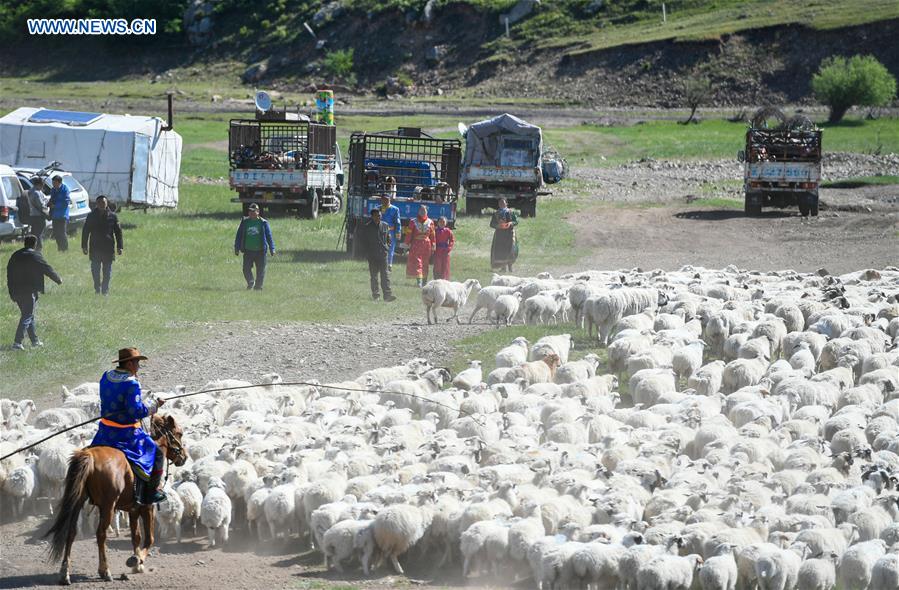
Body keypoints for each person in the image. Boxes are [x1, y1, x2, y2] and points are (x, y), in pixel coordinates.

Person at [89, 348, 167, 505]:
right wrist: (154, 405)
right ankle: (153, 492)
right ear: (130, 363)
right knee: (158, 452)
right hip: (125, 433)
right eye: (137, 362)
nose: (139, 366)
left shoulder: (106, 376)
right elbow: (135, 411)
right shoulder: (131, 382)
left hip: (105, 431)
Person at [6, 234, 62, 350]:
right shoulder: (35, 255)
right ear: (35, 244)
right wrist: (58, 279)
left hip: (15, 290)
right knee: (27, 315)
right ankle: (17, 342)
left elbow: (8, 273)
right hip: (28, 290)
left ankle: (35, 341)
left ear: (24, 243)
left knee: (28, 314)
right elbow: (47, 268)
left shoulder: (15, 255)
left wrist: (11, 290)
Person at [81, 196, 124, 296]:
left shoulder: (113, 216)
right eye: (99, 203)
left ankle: (105, 290)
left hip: (108, 248)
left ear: (106, 204)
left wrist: (120, 246)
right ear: (97, 204)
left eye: (103, 203)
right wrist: (84, 246)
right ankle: (97, 288)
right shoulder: (91, 216)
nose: (102, 205)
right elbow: (85, 231)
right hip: (95, 247)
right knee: (95, 270)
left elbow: (118, 232)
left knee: (107, 271)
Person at [234, 203, 275, 290]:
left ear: (258, 212)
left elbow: (269, 236)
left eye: (253, 211)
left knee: (260, 270)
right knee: (246, 269)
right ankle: (251, 281)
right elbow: (239, 235)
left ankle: (258, 287)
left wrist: (272, 248)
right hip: (248, 250)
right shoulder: (245, 222)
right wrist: (237, 248)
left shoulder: (263, 223)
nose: (251, 213)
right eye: (250, 211)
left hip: (260, 251)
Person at [358, 208, 395, 301]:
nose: (379, 217)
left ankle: (387, 295)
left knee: (385, 275)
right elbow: (363, 242)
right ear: (372, 216)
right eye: (377, 215)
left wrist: (387, 247)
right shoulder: (367, 227)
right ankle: (376, 295)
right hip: (372, 256)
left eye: (380, 215)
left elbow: (389, 238)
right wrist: (367, 253)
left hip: (383, 255)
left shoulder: (385, 225)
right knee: (374, 276)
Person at [405, 204, 435, 288]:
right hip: (416, 244)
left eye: (424, 210)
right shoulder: (413, 221)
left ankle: (424, 281)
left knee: (425, 263)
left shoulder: (430, 222)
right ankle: (419, 282)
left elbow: (432, 235)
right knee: (418, 263)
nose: (422, 212)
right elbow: (409, 233)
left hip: (426, 245)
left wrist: (433, 244)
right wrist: (406, 243)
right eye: (421, 210)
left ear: (427, 212)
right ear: (418, 211)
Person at [490, 198, 519, 272]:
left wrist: (510, 223)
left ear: (506, 203)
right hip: (500, 234)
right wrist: (497, 225)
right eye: (500, 203)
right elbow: (492, 224)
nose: (501, 204)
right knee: (501, 250)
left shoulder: (510, 212)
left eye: (503, 203)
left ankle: (510, 266)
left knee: (510, 249)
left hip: (509, 234)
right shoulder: (496, 213)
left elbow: (516, 221)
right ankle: (503, 267)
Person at [25, 177, 49, 250]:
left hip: (33, 215)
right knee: (38, 234)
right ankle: (39, 249)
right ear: (39, 184)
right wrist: (47, 206)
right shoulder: (36, 193)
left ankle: (32, 248)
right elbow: (41, 205)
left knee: (34, 233)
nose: (42, 187)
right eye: (42, 185)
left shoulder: (30, 191)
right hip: (39, 216)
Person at [379, 193, 401, 271]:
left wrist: (398, 232)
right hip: (380, 232)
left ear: (390, 199)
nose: (385, 201)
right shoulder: (379, 209)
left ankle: (389, 265)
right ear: (381, 200)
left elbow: (397, 222)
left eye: (387, 199)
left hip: (391, 232)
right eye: (384, 199)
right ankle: (380, 264)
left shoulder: (395, 209)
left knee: (390, 249)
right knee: (380, 248)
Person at [48, 175, 70, 252]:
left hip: (62, 215)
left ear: (59, 182)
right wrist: (49, 203)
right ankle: (60, 248)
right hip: (55, 215)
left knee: (62, 233)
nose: (53, 184)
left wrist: (55, 206)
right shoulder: (53, 190)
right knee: (56, 233)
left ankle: (65, 249)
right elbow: (52, 199)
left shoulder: (65, 190)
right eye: (53, 183)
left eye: (55, 183)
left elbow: (66, 202)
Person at [433, 216, 455, 281]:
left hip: (445, 251)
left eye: (443, 222)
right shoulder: (435, 231)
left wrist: (449, 247)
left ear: (446, 223)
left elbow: (452, 240)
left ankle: (445, 280)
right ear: (438, 223)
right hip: (437, 251)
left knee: (445, 266)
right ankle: (437, 279)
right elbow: (432, 239)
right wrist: (433, 247)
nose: (442, 223)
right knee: (437, 266)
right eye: (440, 222)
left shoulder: (448, 231)